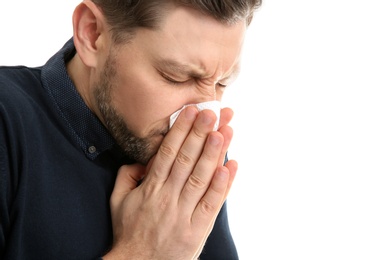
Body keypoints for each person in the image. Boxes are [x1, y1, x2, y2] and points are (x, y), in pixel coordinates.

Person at [0, 0, 261, 259]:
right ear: (92, 34)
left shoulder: (190, 153)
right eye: (176, 77)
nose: (206, 116)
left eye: (222, 83)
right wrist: (142, 253)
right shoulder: (8, 123)